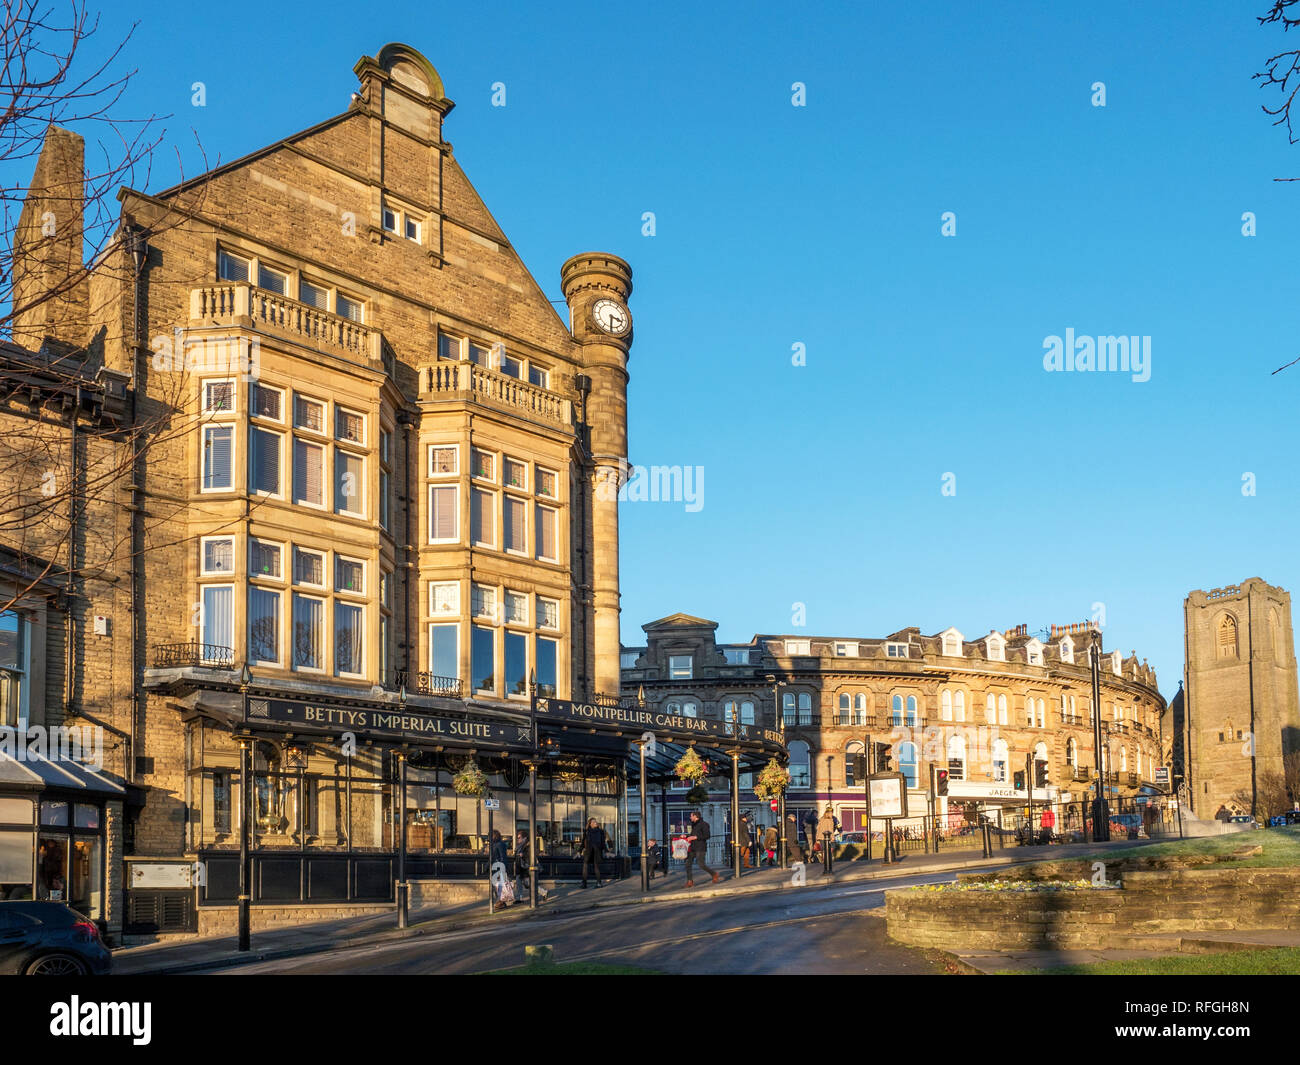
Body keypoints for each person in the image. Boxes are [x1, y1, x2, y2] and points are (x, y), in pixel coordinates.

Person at [685, 810, 720, 886]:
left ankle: (714, 874)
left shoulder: (704, 824)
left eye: (691, 816)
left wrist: (695, 837)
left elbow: (707, 836)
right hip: (692, 847)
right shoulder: (694, 825)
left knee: (701, 864)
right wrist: (686, 836)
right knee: (687, 863)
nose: (690, 817)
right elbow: (693, 836)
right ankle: (690, 881)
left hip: (700, 847)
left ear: (695, 816)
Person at [514, 830, 549, 902]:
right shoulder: (519, 846)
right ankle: (519, 898)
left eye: (519, 838)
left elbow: (532, 855)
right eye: (517, 838)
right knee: (519, 882)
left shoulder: (529, 845)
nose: (518, 839)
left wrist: (523, 855)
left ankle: (544, 892)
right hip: (520, 867)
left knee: (528, 883)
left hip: (526, 867)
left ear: (524, 838)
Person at [581, 817, 607, 888]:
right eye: (593, 822)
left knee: (596, 867)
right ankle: (584, 883)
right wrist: (579, 850)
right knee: (585, 866)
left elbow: (603, 843)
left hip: (597, 851)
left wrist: (606, 851)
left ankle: (599, 883)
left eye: (595, 822)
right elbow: (583, 842)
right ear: (590, 824)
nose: (595, 823)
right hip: (588, 851)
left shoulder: (600, 831)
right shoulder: (586, 831)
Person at [490, 830, 512, 911]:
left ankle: (500, 902)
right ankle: (501, 902)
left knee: (498, 886)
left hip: (498, 867)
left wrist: (502, 869)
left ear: (495, 836)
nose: (489, 838)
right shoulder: (495, 844)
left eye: (490, 835)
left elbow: (502, 857)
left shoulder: (499, 844)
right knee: (497, 886)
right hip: (495, 867)